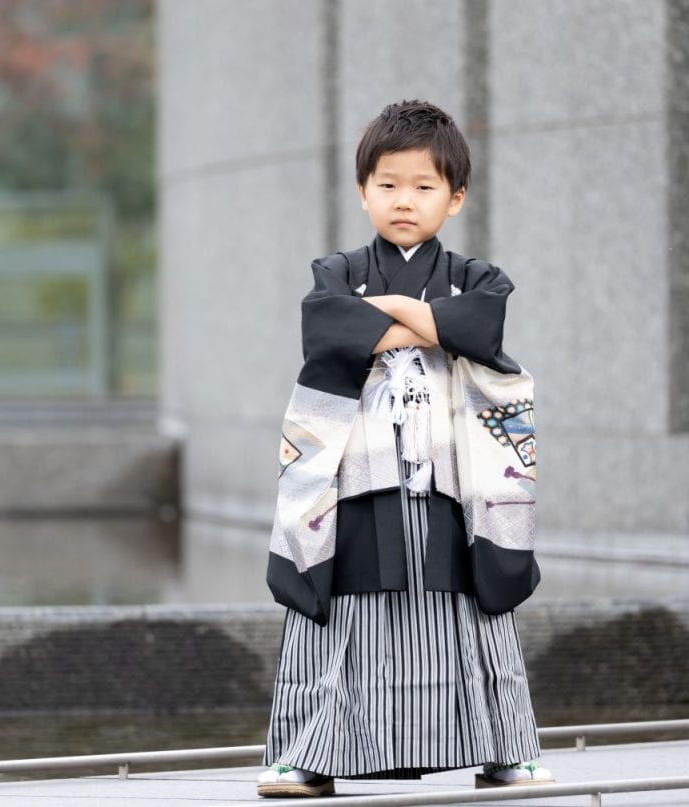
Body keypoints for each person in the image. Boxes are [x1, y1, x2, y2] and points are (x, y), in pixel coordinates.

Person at [256, 100, 552, 799]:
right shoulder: (337, 271)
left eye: (424, 186)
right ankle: (307, 754)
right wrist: (435, 325)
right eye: (387, 184)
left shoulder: (477, 279)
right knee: (337, 605)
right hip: (356, 480)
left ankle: (504, 747)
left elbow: (477, 327)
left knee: (474, 603)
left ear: (455, 197)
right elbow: (329, 333)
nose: (403, 200)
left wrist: (381, 317)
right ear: (363, 191)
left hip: (453, 479)